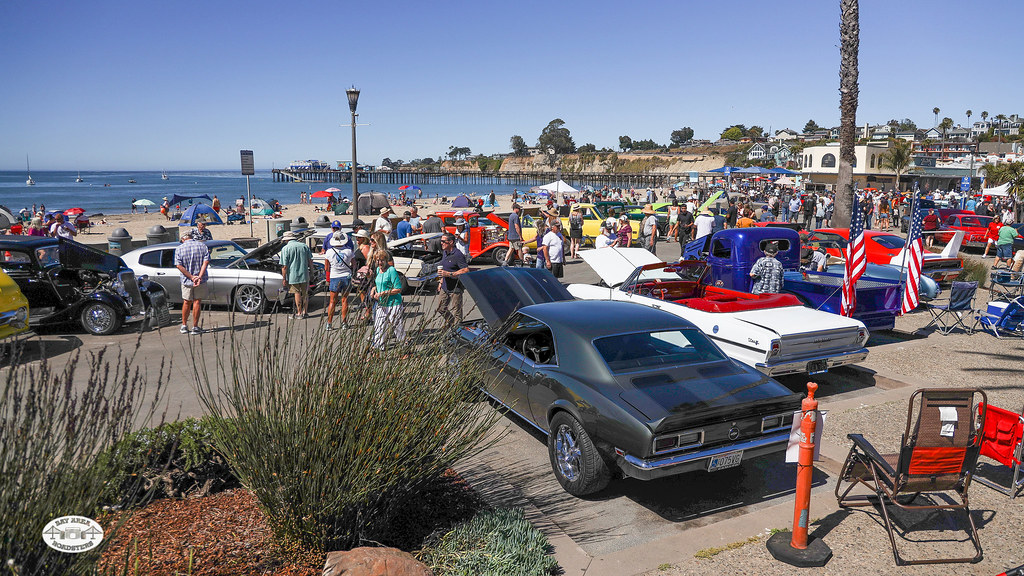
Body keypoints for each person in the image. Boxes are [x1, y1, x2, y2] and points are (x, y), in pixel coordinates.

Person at [173, 230, 210, 335]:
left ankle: (184, 325)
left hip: (187, 280)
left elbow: (178, 265)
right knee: (197, 302)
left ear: (183, 239)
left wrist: (191, 277)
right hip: (200, 280)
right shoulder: (202, 246)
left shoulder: (179, 248)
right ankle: (195, 326)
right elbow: (206, 262)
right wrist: (199, 277)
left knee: (186, 302)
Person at [370, 249, 406, 349]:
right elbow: (378, 284)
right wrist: (373, 289)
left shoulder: (391, 270)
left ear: (386, 260)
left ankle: (405, 347)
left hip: (393, 303)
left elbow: (398, 289)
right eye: (377, 260)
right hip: (381, 304)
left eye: (382, 260)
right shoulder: (378, 270)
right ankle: (378, 348)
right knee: (379, 327)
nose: (380, 263)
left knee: (397, 327)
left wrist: (383, 293)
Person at [436, 232, 469, 327]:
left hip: (455, 288)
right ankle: (452, 323)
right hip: (445, 286)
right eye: (441, 241)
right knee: (441, 308)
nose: (441, 243)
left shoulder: (458, 255)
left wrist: (450, 274)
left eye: (443, 241)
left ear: (451, 242)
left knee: (457, 311)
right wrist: (441, 281)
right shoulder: (445, 252)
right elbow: (444, 268)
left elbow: (466, 270)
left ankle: (457, 329)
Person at [279, 231, 314, 319]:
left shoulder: (285, 249)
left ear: (286, 240)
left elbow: (284, 266)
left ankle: (299, 313)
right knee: (305, 294)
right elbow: (310, 261)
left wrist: (284, 278)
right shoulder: (304, 246)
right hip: (304, 274)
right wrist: (312, 272)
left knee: (297, 293)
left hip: (293, 275)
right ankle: (305, 312)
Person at [323, 232, 353, 330]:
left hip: (335, 276)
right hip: (346, 276)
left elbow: (326, 267)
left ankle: (329, 323)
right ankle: (344, 323)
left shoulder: (329, 252)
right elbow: (354, 264)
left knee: (332, 301)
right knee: (345, 300)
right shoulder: (349, 251)